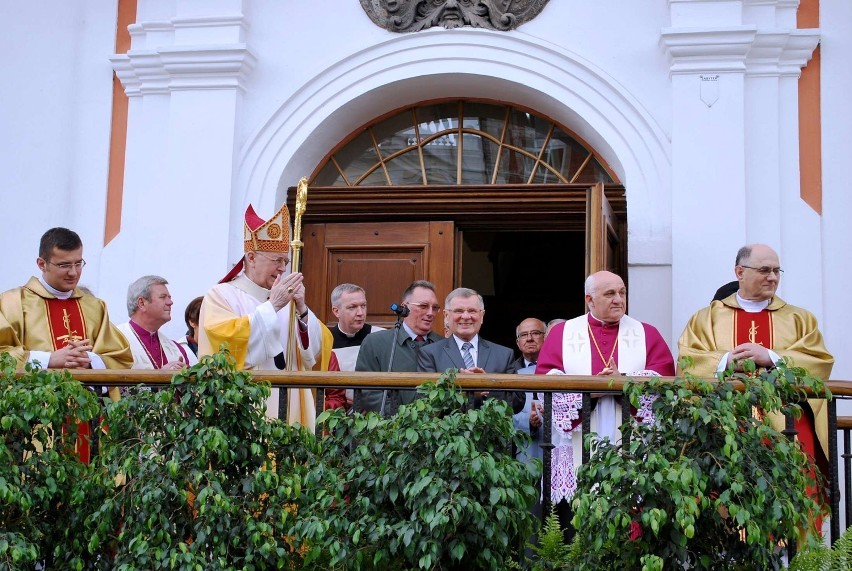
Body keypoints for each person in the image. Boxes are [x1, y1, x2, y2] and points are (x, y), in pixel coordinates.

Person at [678, 244, 833, 487]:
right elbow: (687, 363)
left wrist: (771, 357)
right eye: (764, 270)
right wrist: (725, 361)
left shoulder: (799, 319)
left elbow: (820, 362)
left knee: (796, 492)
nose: (772, 277)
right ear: (740, 272)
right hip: (725, 424)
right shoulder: (707, 318)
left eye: (776, 271)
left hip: (788, 426)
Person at [535, 270, 675, 520]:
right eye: (610, 294)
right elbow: (546, 378)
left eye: (622, 293)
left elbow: (663, 376)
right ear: (589, 300)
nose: (618, 300)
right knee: (573, 520)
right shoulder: (563, 333)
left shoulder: (646, 333)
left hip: (631, 437)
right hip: (580, 438)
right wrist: (591, 391)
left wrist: (625, 383)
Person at [0, 227, 132, 462]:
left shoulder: (94, 306)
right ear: (42, 263)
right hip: (34, 420)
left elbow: (120, 356)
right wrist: (50, 359)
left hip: (88, 419)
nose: (74, 273)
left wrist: (91, 361)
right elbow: (2, 353)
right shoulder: (12, 303)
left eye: (78, 263)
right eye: (64, 265)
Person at [198, 203, 323, 423]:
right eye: (277, 260)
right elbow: (223, 346)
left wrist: (302, 310)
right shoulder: (221, 296)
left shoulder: (288, 300)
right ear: (252, 257)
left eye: (285, 261)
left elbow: (313, 354)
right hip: (245, 408)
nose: (283, 268)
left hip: (289, 403)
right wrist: (272, 307)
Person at [418, 287, 524, 414]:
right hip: (448, 432)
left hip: (491, 431)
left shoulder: (504, 354)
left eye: (472, 311)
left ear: (482, 315)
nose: (466, 316)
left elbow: (518, 402)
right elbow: (426, 402)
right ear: (446, 316)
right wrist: (464, 394)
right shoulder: (430, 354)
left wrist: (487, 387)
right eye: (459, 311)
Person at [355, 280, 443, 414]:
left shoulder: (443, 345)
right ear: (404, 307)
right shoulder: (375, 342)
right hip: (389, 429)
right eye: (423, 306)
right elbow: (367, 391)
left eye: (435, 307)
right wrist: (400, 419)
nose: (431, 313)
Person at [324, 283, 384, 410]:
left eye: (363, 306)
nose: (360, 313)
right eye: (352, 307)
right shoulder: (325, 341)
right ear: (336, 311)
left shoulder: (381, 337)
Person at [118, 276, 198, 370]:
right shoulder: (116, 340)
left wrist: (186, 375)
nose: (170, 302)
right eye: (163, 297)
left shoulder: (177, 349)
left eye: (169, 297)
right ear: (142, 303)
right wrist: (160, 376)